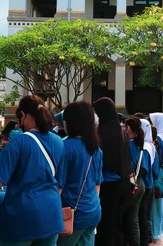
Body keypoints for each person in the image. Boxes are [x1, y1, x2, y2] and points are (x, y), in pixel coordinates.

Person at [0, 95, 65, 245]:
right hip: (51, 214)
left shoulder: (18, 143)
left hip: (22, 216)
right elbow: (60, 182)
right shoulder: (58, 141)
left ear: (23, 115)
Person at [57, 101, 104, 246]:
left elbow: (58, 188)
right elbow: (97, 186)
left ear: (70, 123)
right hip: (93, 210)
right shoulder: (96, 149)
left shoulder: (64, 148)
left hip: (71, 215)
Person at [93, 97, 131, 246]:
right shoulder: (119, 131)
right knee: (117, 224)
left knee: (106, 226)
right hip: (122, 183)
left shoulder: (102, 132)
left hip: (108, 185)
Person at [124, 117, 148, 246]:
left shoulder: (128, 144)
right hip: (140, 183)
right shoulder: (140, 145)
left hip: (131, 184)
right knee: (134, 218)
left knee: (129, 218)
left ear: (128, 128)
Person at [149, 113, 163, 245]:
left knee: (156, 206)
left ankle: (157, 234)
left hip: (158, 174)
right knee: (160, 205)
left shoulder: (157, 140)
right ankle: (161, 230)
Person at [139, 119, 158, 246]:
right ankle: (149, 239)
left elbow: (143, 169)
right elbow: (155, 169)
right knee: (147, 216)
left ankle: (146, 241)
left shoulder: (145, 147)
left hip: (145, 184)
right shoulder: (151, 145)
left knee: (143, 217)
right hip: (150, 183)